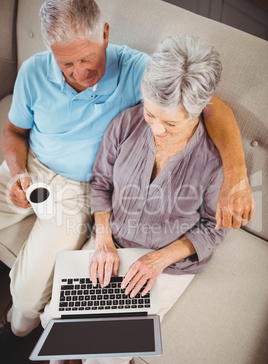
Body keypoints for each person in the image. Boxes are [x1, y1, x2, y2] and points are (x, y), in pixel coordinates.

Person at [0, 0, 254, 346]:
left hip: (79, 189)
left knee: (31, 298)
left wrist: (236, 176)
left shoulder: (140, 71)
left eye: (86, 59)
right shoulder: (33, 71)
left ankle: (17, 329)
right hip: (29, 168)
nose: (77, 74)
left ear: (104, 35)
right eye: (65, 64)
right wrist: (17, 172)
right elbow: (14, 131)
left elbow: (207, 104)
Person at [41, 34, 230, 364]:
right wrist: (104, 239)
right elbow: (101, 184)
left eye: (171, 124)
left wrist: (159, 259)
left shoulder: (214, 160)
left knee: (111, 348)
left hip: (168, 262)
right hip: (112, 239)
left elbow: (213, 228)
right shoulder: (126, 124)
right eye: (150, 113)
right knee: (60, 315)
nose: (157, 130)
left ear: (201, 108)